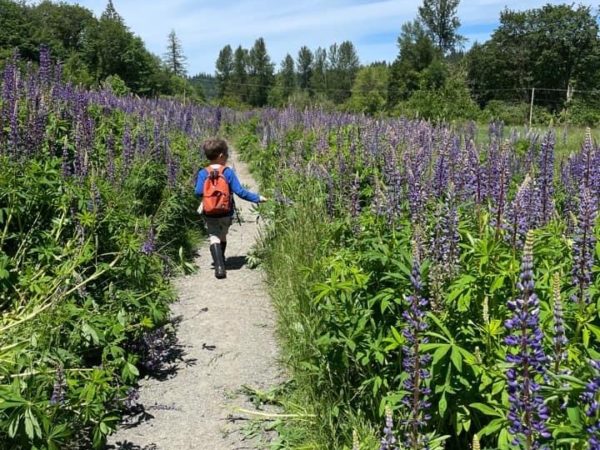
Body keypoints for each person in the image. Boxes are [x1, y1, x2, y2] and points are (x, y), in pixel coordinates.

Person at [194, 138, 266, 279]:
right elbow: (240, 192)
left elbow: (197, 192)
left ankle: (219, 267)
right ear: (221, 156)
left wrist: (208, 194)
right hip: (226, 211)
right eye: (227, 154)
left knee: (213, 236)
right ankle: (223, 261)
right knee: (223, 235)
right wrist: (258, 198)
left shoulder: (203, 172)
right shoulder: (227, 172)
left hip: (209, 212)